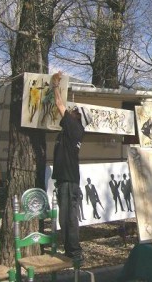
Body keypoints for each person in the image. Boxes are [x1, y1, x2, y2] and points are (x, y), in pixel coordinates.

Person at [51, 71, 92, 265]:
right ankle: (72, 252)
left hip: (68, 180)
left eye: (75, 111)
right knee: (68, 217)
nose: (72, 110)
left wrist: (55, 85)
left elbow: (59, 105)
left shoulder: (74, 127)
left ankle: (74, 253)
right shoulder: (74, 130)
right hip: (68, 179)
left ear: (78, 118)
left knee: (68, 218)